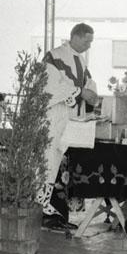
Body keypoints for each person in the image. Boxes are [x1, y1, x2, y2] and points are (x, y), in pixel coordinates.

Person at [39, 23, 99, 232]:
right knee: (50, 164)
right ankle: (46, 214)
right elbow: (47, 86)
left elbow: (88, 83)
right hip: (54, 120)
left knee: (66, 167)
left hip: (71, 122)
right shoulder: (54, 56)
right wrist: (80, 92)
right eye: (87, 41)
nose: (89, 45)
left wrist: (90, 93)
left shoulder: (80, 60)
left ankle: (61, 215)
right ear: (75, 36)